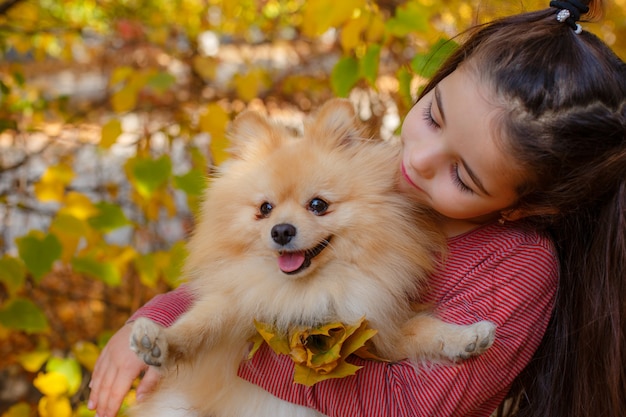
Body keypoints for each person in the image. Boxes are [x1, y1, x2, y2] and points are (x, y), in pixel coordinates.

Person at [88, 0, 626, 416]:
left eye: (462, 175)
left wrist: (239, 344)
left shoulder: (517, 269)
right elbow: (242, 269)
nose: (418, 158)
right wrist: (162, 322)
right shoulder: (377, 173)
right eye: (433, 117)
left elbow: (408, 405)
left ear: (524, 205)